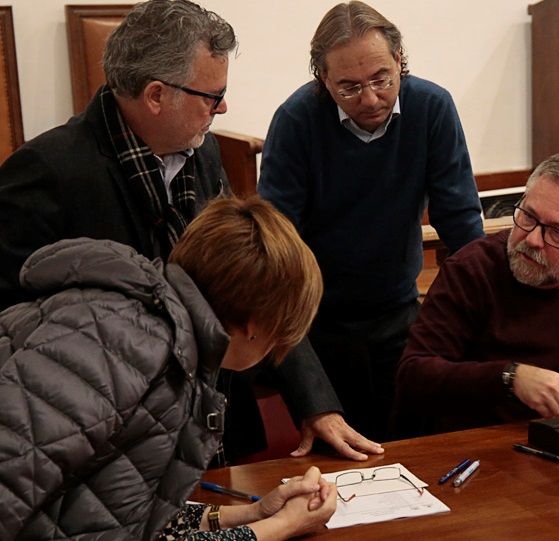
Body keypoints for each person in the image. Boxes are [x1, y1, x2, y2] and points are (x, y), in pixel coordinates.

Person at [0, 0, 375, 463]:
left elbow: (253, 285)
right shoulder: (46, 172)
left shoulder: (205, 153)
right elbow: (16, 324)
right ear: (157, 95)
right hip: (111, 442)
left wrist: (315, 404)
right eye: (212, 95)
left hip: (210, 423)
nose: (223, 107)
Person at [0, 196, 336, 540]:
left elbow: (119, 517)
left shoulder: (152, 337)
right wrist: (280, 527)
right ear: (255, 326)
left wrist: (253, 514)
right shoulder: (131, 347)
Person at [258, 1, 484, 442]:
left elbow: (460, 220)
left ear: (400, 59)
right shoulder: (296, 120)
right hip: (316, 318)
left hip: (397, 308)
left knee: (411, 442)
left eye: (382, 79)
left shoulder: (430, 108)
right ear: (322, 78)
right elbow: (277, 243)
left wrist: (477, 312)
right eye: (349, 87)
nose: (370, 98)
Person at [393, 152, 559, 444]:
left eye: (556, 232)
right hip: (496, 442)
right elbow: (414, 374)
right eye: (527, 217)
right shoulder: (473, 269)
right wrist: (510, 378)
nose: (532, 239)